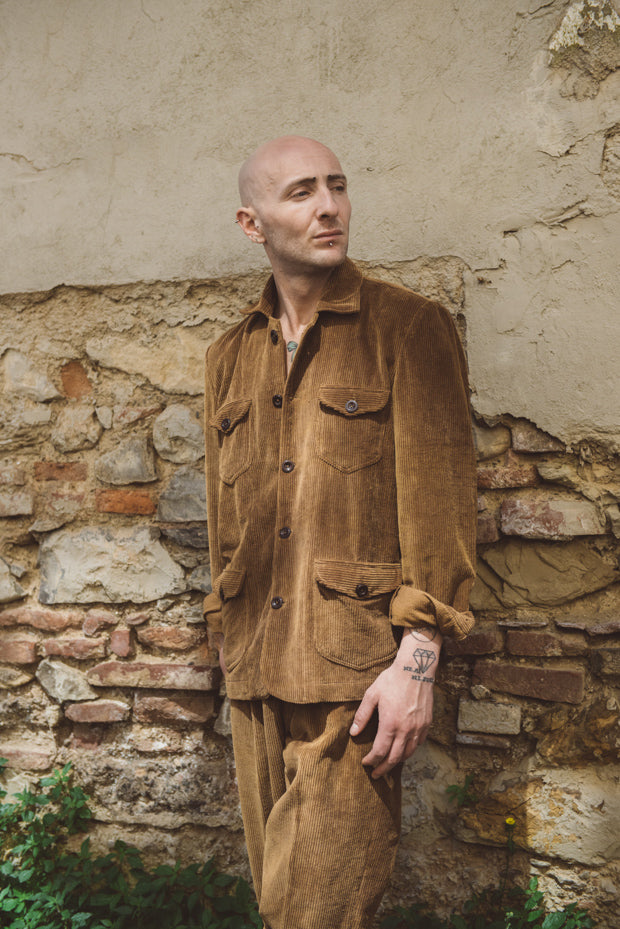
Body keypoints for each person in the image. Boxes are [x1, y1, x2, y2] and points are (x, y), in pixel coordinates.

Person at [202, 135, 477, 929]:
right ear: (252, 223)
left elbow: (441, 504)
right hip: (255, 673)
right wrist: (224, 636)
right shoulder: (229, 356)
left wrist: (417, 659)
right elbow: (227, 531)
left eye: (337, 186)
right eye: (300, 193)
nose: (328, 207)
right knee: (279, 903)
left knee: (313, 913)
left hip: (356, 679)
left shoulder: (408, 328)